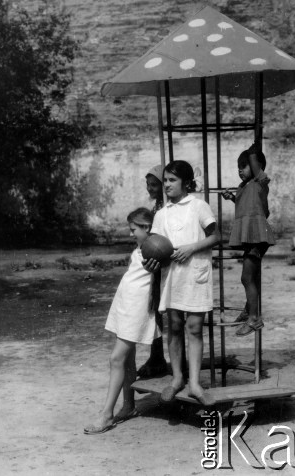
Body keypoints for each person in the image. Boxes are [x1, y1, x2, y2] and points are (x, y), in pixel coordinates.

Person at [145, 160, 220, 406]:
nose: (166, 185)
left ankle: (195, 384)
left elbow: (216, 236)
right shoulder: (161, 214)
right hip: (173, 276)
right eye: (165, 180)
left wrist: (190, 248)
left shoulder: (199, 206)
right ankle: (177, 378)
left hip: (195, 274)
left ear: (186, 183)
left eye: (172, 180)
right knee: (174, 326)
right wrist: (153, 262)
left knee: (195, 328)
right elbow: (154, 247)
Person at [84, 208, 159, 435]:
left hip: (137, 309)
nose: (130, 234)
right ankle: (129, 406)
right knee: (128, 359)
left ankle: (107, 414)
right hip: (125, 304)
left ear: (146, 228)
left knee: (116, 358)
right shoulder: (141, 247)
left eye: (133, 229)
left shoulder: (156, 250)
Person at [221, 143, 275, 336]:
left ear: (256, 167)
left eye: (244, 165)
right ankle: (249, 310)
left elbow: (255, 162)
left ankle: (254, 318)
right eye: (239, 166)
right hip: (252, 236)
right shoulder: (244, 187)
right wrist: (232, 198)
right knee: (249, 277)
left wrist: (254, 148)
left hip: (257, 236)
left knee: (247, 277)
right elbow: (248, 206)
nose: (240, 169)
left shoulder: (260, 181)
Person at [136, 165, 168, 378]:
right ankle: (156, 357)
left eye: (154, 184)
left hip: (169, 265)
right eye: (148, 184)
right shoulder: (156, 208)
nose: (150, 188)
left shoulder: (167, 209)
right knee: (154, 310)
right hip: (156, 266)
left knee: (171, 314)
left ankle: (172, 359)